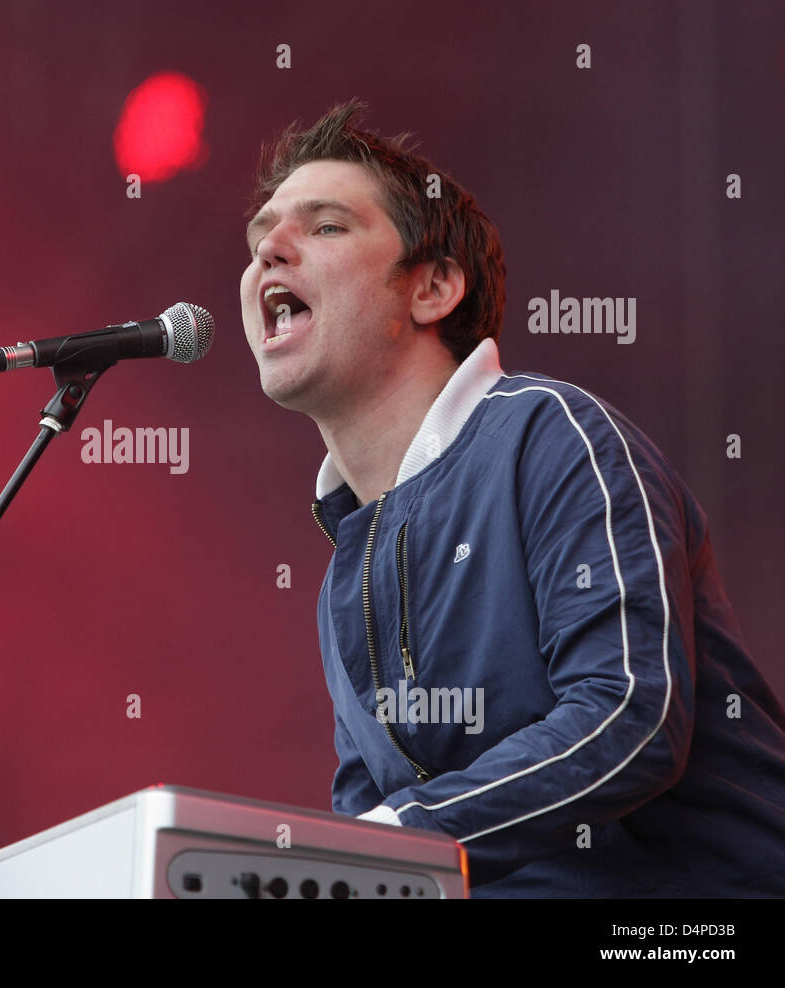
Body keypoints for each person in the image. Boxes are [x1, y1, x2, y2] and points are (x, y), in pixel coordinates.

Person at [240, 98, 785, 896]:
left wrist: (383, 848)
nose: (269, 253)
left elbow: (627, 716)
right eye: (259, 239)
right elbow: (367, 818)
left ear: (433, 289)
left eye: (324, 227)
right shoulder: (343, 574)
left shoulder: (554, 435)